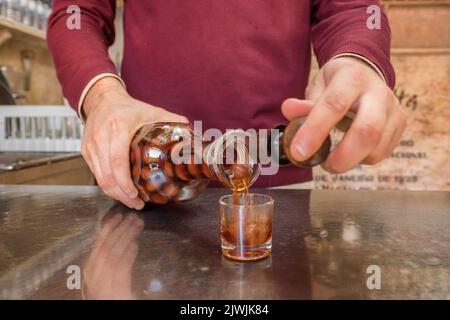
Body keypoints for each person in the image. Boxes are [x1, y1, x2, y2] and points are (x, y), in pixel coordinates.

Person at [47, 0, 406, 210]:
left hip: (278, 186)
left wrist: (359, 60)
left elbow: (352, 9)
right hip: (146, 179)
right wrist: (103, 98)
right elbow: (78, 12)